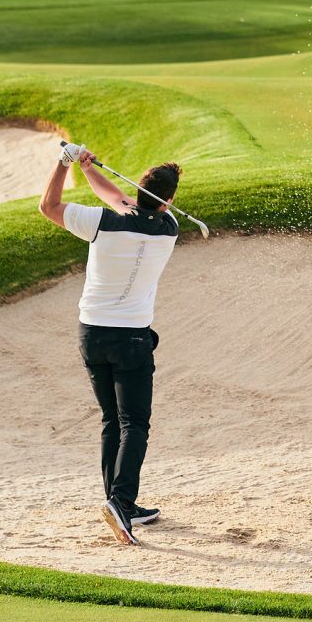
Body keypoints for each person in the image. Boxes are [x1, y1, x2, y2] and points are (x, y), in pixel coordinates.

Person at [37, 142, 182, 545]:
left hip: (93, 335)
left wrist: (66, 164)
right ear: (168, 202)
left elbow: (50, 206)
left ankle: (119, 504)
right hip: (131, 338)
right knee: (134, 422)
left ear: (138, 191)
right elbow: (122, 201)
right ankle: (120, 502)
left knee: (112, 421)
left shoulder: (101, 221)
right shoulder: (169, 229)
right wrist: (88, 170)